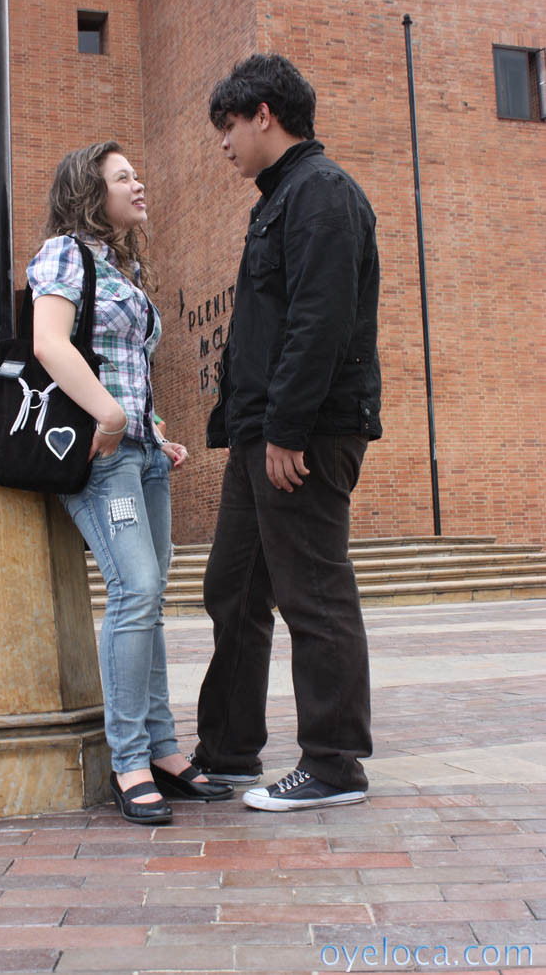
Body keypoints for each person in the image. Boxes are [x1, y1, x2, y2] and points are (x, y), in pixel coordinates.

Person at [192, 54, 382, 812]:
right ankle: (228, 753)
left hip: (301, 436)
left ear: (264, 114)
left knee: (314, 593)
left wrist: (287, 429)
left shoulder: (322, 192)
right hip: (259, 435)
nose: (224, 143)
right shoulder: (279, 199)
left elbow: (320, 320)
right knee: (233, 589)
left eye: (228, 126)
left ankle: (334, 765)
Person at [28, 142, 233, 824]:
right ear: (91, 192)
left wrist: (152, 427)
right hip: (100, 455)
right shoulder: (65, 255)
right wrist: (112, 416)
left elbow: (126, 365)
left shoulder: (125, 268)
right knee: (136, 590)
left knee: (150, 600)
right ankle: (128, 761)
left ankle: (164, 748)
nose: (139, 183)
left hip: (142, 454)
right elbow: (49, 343)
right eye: (124, 177)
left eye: (137, 174)